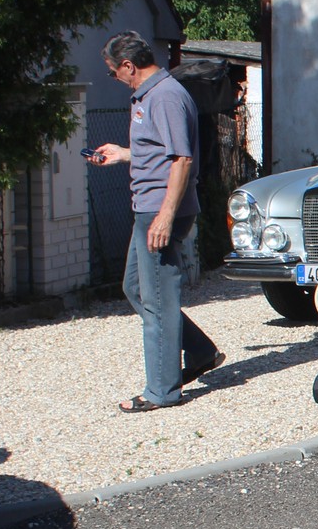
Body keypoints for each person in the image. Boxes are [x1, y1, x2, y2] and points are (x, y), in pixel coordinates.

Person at [92, 31, 222, 413]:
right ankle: (200, 351)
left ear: (129, 66)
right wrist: (124, 154)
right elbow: (160, 151)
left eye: (114, 72)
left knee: (158, 299)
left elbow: (181, 159)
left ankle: (162, 391)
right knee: (136, 287)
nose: (115, 78)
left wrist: (165, 216)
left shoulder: (164, 96)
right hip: (151, 208)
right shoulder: (150, 96)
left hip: (161, 210)